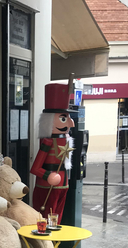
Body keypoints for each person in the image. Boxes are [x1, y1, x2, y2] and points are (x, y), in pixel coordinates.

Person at [30, 83, 76, 223]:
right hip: (47, 186)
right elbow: (35, 168)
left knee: (57, 218)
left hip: (63, 184)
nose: (70, 123)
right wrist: (48, 175)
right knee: (46, 218)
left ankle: (54, 242)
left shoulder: (67, 140)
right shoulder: (47, 142)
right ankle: (47, 243)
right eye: (63, 118)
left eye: (68, 117)